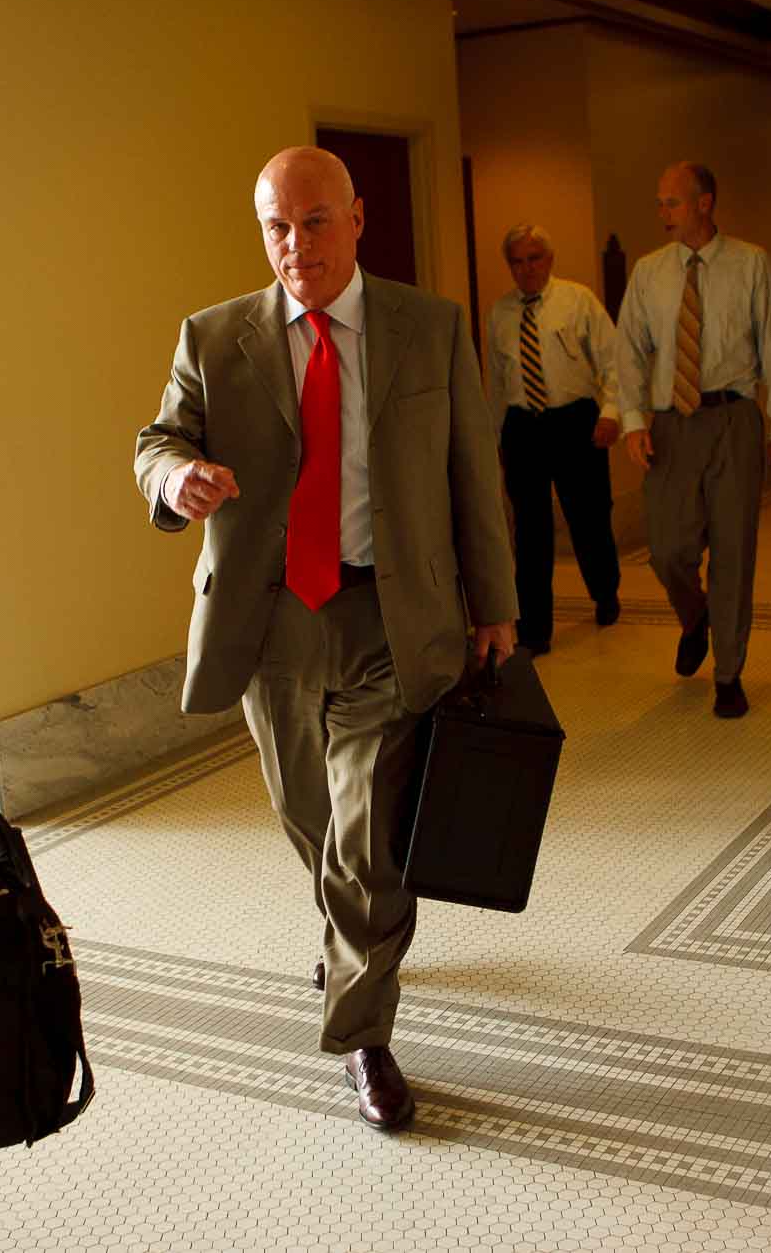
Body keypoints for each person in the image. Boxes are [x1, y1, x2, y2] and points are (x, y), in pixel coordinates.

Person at [134, 146, 516, 1132]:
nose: (294, 244)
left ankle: (364, 1032)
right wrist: (175, 480)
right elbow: (156, 441)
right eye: (275, 226)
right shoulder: (215, 336)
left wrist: (496, 600)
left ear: (356, 219)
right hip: (271, 623)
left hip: (394, 616)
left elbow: (475, 473)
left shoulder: (427, 329)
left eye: (313, 221)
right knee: (312, 819)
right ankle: (355, 928)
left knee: (365, 834)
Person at [614, 162, 771, 719]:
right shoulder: (650, 273)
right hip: (673, 424)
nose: (662, 214)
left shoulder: (751, 264)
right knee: (668, 548)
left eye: (671, 202)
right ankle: (696, 618)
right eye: (660, 203)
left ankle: (728, 672)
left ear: (704, 203)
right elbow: (628, 347)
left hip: (733, 418)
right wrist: (633, 419)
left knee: (734, 549)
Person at [485, 223, 622, 653]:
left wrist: (612, 413)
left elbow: (614, 362)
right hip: (524, 428)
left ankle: (605, 591)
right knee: (529, 530)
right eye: (517, 261)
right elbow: (497, 382)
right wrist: (495, 438)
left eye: (534, 259)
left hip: (575, 422)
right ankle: (535, 628)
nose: (526, 269)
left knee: (588, 516)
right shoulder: (500, 314)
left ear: (550, 259)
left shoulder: (577, 301)